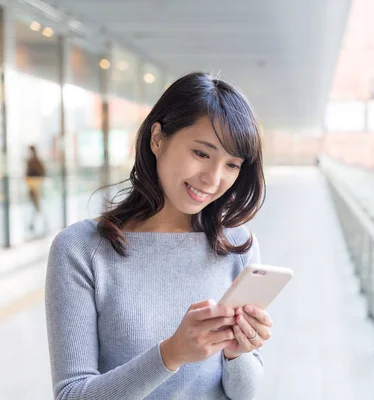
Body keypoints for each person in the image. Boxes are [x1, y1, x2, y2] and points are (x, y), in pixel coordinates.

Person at [45, 72, 270, 399]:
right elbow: (71, 395)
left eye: (232, 165)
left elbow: (245, 394)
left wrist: (238, 351)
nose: (213, 178)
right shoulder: (80, 250)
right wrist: (171, 354)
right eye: (202, 154)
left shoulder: (237, 246)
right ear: (157, 139)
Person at [25, 145, 45, 231]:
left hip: (35, 185)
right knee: (36, 206)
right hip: (32, 185)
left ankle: (37, 223)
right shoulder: (31, 161)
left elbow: (42, 173)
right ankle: (35, 223)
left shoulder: (36, 161)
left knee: (37, 206)